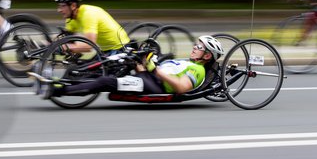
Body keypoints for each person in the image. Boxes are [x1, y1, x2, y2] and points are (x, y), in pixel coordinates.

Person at [34, 35, 224, 99]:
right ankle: (62, 80)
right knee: (116, 64)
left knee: (105, 81)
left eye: (198, 47)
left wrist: (153, 69)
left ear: (207, 55)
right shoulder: (187, 62)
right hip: (148, 79)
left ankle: (55, 90)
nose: (194, 47)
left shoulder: (196, 70)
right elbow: (149, 72)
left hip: (153, 85)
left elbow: (181, 88)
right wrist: (141, 62)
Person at [54, 0, 130, 54]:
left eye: (63, 6)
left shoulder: (88, 14)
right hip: (104, 49)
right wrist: (51, 45)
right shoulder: (71, 19)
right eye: (59, 6)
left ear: (73, 6)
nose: (59, 10)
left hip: (120, 47)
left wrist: (63, 48)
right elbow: (69, 40)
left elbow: (88, 46)